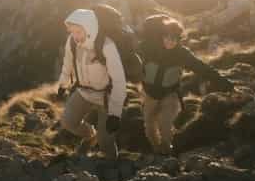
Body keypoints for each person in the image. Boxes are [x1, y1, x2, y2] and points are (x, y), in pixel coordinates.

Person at [140, 15, 233, 156]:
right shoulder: (148, 49)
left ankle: (168, 152)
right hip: (150, 94)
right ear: (161, 36)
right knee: (149, 127)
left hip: (170, 94)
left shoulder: (182, 54)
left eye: (175, 39)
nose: (170, 42)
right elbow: (129, 59)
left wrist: (227, 85)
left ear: (179, 39)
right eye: (167, 37)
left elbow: (203, 69)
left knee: (165, 124)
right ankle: (157, 150)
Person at [57, 9, 128, 160]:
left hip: (106, 98)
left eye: (78, 32)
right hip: (83, 92)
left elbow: (119, 81)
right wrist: (63, 84)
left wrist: (115, 114)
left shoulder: (106, 45)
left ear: (88, 28)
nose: (75, 36)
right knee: (68, 122)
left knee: (106, 141)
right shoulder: (72, 41)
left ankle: (112, 166)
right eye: (72, 31)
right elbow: (67, 63)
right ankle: (90, 136)